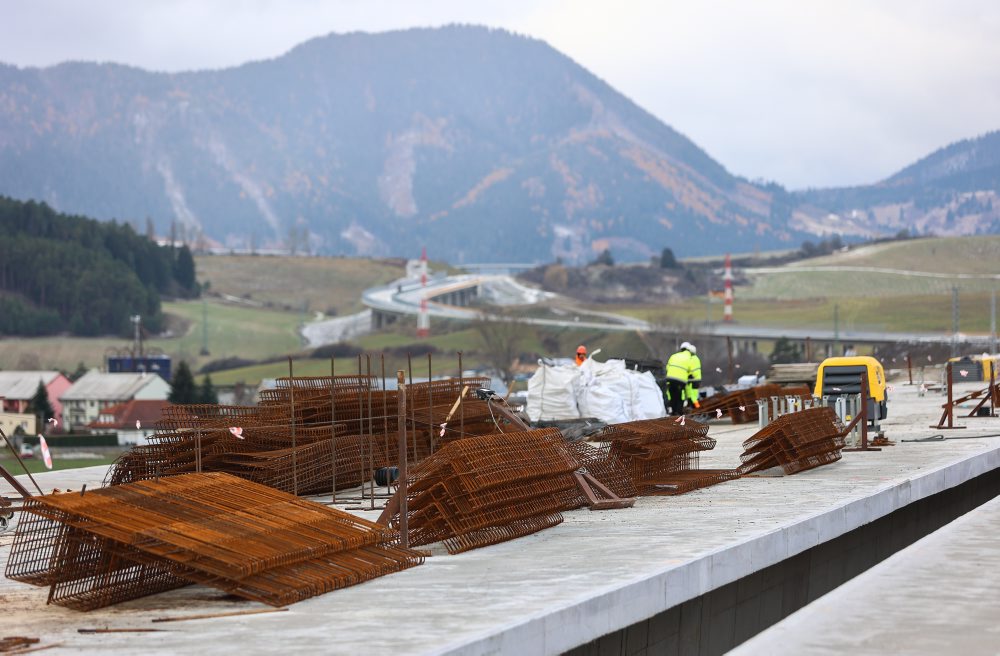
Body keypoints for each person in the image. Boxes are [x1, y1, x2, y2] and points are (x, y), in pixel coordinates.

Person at [665, 342, 698, 416]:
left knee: (673, 396)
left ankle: (673, 412)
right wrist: (691, 376)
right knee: (680, 397)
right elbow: (692, 372)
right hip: (680, 381)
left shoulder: (674, 356)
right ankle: (678, 412)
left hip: (670, 379)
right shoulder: (690, 358)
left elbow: (667, 368)